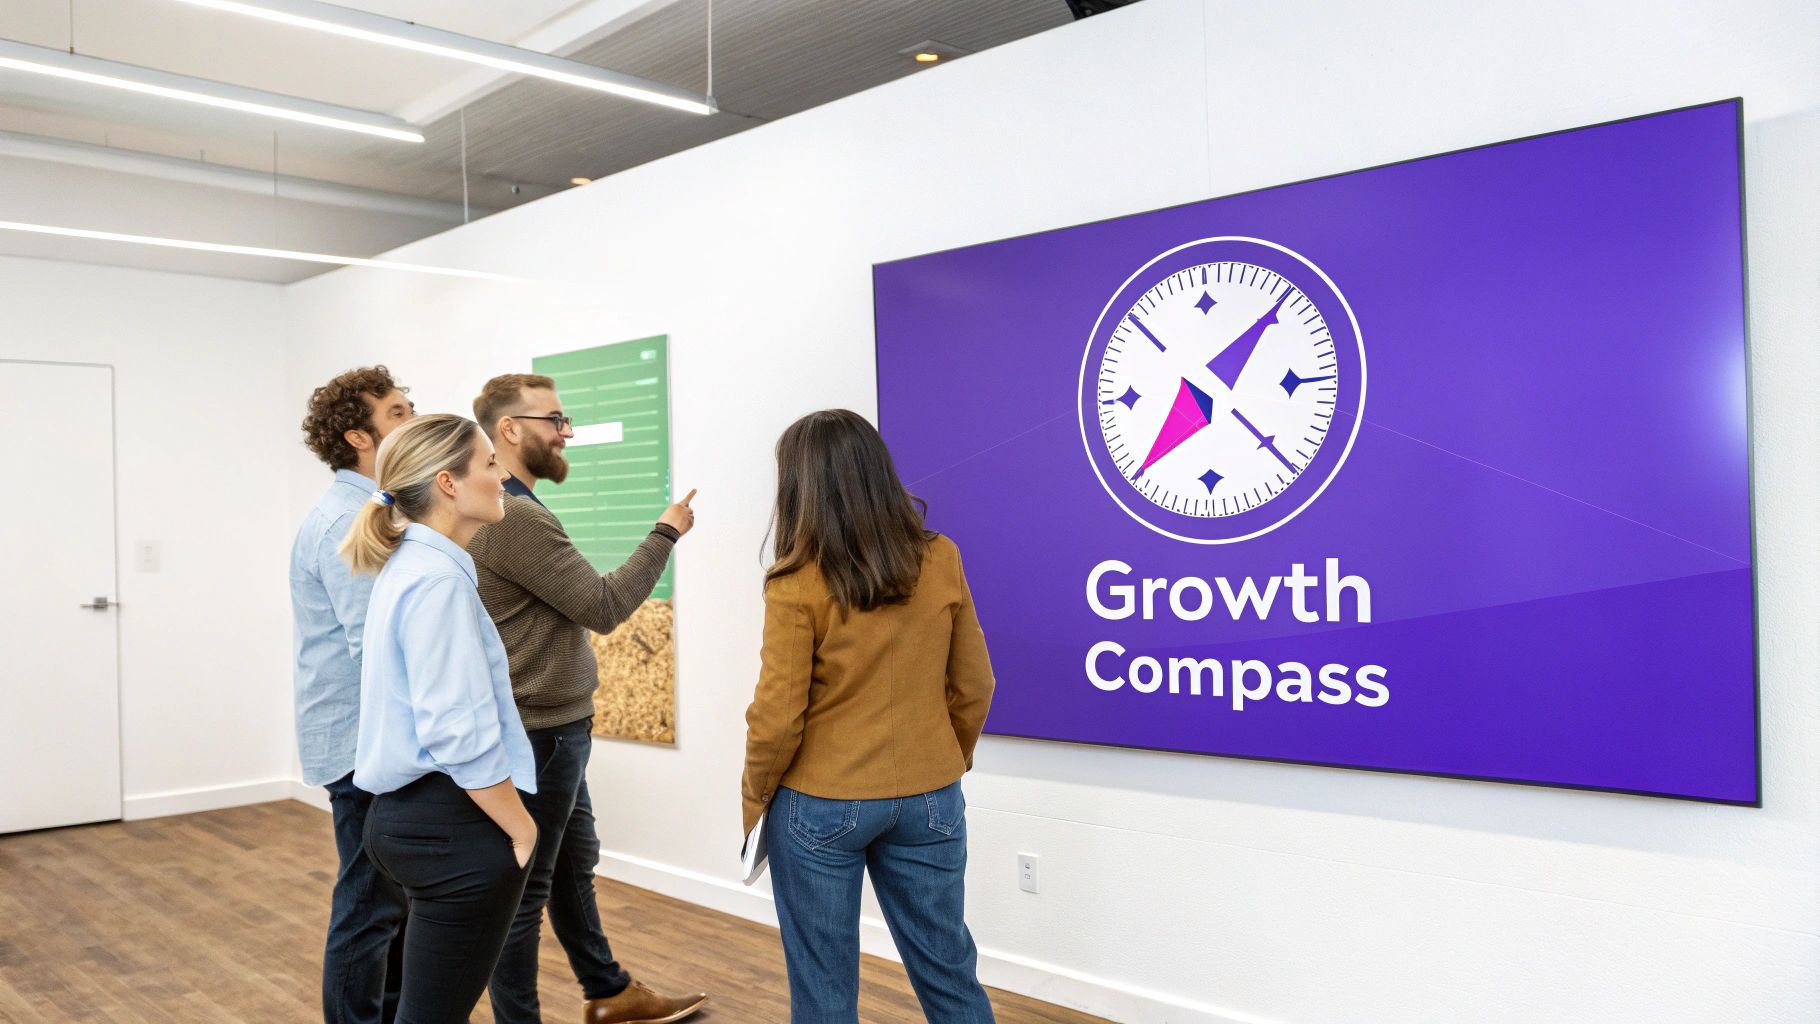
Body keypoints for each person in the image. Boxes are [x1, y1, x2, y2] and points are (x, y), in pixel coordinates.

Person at [742, 409, 998, 1023]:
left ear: (801, 486)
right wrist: (944, 760)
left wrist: (756, 799)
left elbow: (778, 716)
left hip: (821, 800)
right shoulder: (940, 557)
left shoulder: (795, 580)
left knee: (824, 989)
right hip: (931, 793)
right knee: (949, 970)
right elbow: (975, 684)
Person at [467, 373, 708, 1024]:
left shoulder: (509, 507)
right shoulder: (514, 516)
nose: (564, 433)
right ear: (509, 429)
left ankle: (609, 991)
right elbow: (602, 606)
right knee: (526, 892)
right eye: (553, 420)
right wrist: (666, 532)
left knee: (572, 867)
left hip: (551, 727)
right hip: (542, 732)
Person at [341, 413, 541, 1024]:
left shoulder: (413, 567)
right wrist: (521, 828)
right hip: (451, 827)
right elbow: (457, 731)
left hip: (409, 819)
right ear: (448, 483)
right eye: (490, 463)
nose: (503, 475)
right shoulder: (437, 582)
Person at [290, 366, 414, 1024]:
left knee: (392, 903)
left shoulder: (374, 510)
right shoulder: (349, 520)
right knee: (370, 905)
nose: (413, 421)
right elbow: (376, 648)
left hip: (371, 739)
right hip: (362, 743)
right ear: (358, 438)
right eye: (397, 414)